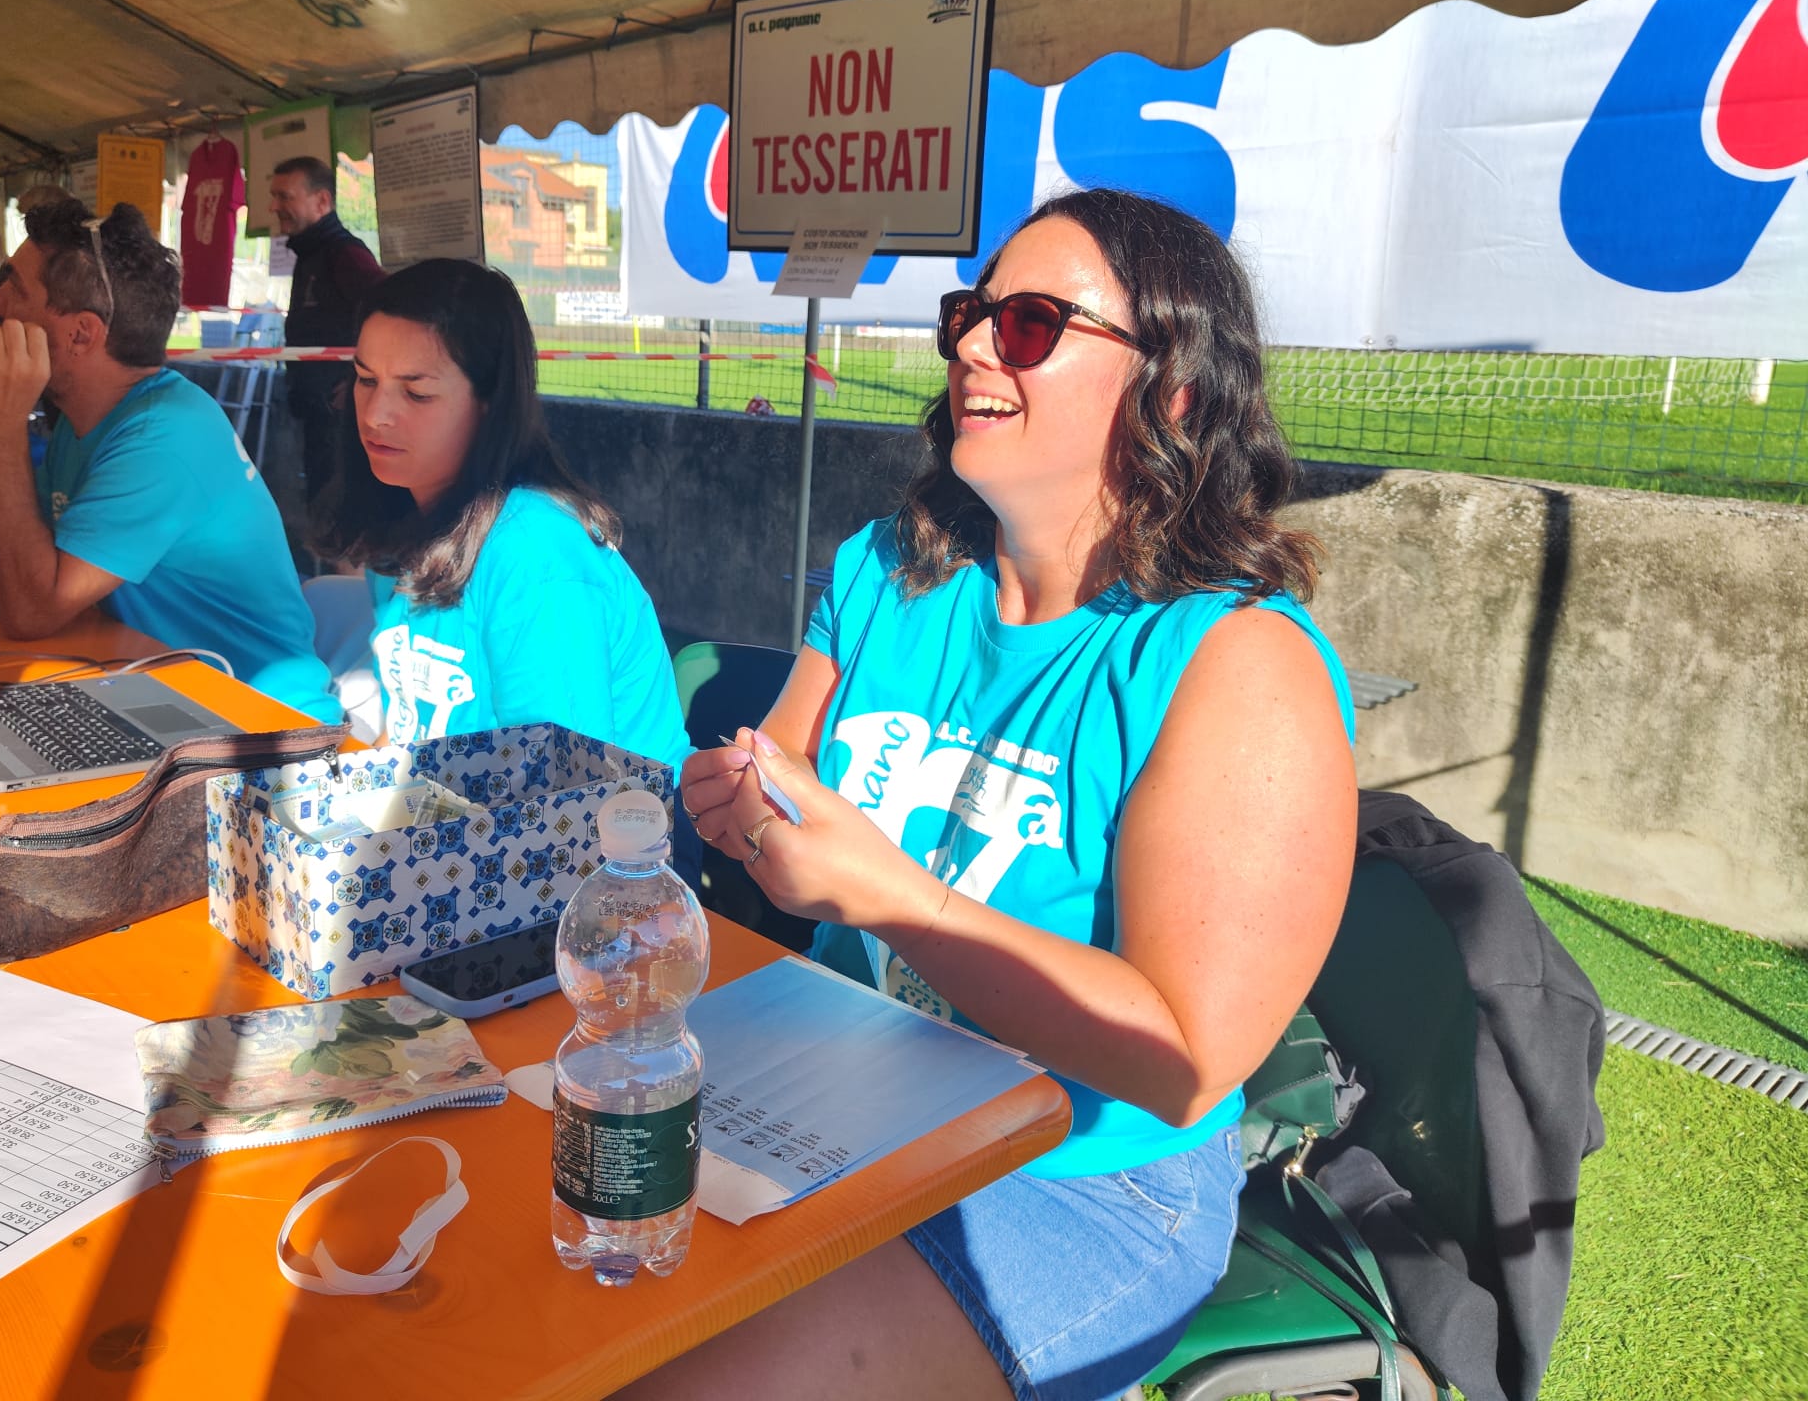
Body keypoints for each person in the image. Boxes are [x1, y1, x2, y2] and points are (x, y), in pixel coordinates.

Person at [662, 189, 1360, 1401]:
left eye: (1031, 323)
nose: (975, 346)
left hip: (1079, 1175)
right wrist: (741, 806)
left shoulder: (1235, 661)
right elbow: (778, 787)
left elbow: (1183, 1059)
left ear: (1173, 391)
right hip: (841, 1079)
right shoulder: (888, 568)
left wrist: (893, 899)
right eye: (970, 314)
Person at [0, 199, 341, 724]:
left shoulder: (162, 437)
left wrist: (0, 425)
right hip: (171, 700)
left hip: (260, 722)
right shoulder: (89, 420)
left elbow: (30, 611)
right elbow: (12, 566)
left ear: (81, 333)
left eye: (13, 288)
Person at [310, 257, 688, 772]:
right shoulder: (401, 519)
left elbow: (565, 785)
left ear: (490, 401)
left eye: (416, 393)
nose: (376, 415)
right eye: (365, 380)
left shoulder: (535, 554)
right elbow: (407, 731)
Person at [272, 155, 383, 504]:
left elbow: (389, 317)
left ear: (321, 201)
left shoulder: (345, 254)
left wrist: (357, 380)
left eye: (284, 197)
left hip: (340, 414)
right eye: (274, 197)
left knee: (337, 507)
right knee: (322, 502)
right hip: (317, 408)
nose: (274, 207)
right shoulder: (312, 254)